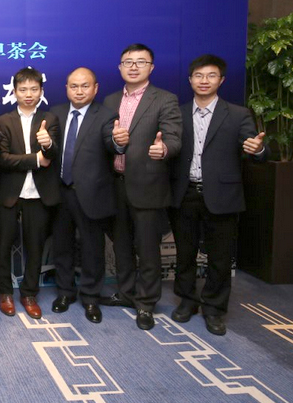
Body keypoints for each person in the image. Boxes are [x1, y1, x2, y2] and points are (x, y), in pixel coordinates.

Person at [168, 54, 267, 336]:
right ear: (190, 80)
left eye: (211, 76)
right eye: (199, 76)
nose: (204, 81)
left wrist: (258, 149)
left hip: (222, 196)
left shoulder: (237, 114)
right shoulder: (178, 113)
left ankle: (213, 308)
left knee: (220, 258)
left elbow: (257, 151)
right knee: (184, 253)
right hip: (185, 193)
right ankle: (187, 301)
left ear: (221, 80)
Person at [101, 43, 182, 331]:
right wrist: (114, 142)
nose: (133, 66)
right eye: (128, 62)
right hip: (116, 184)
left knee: (147, 248)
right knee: (121, 245)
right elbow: (104, 139)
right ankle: (126, 292)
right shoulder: (110, 101)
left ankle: (146, 302)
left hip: (148, 185)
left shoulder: (165, 99)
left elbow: (173, 138)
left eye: (141, 62)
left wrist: (164, 149)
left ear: (151, 67)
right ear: (120, 67)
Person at [50, 67, 118, 324]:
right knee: (62, 246)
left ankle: (90, 297)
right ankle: (65, 292)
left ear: (95, 88)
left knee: (92, 248)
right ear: (66, 88)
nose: (79, 91)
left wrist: (119, 142)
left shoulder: (106, 115)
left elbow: (112, 144)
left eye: (85, 86)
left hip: (90, 194)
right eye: (74, 86)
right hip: (60, 192)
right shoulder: (55, 113)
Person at [0, 67, 60, 319]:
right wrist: (35, 159)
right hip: (10, 193)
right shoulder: (3, 121)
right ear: (15, 92)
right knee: (3, 245)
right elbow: (2, 159)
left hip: (39, 193)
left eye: (34, 89)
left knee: (35, 246)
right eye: (23, 89)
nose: (29, 94)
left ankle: (29, 293)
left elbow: (52, 155)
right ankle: (5, 293)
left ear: (41, 91)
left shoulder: (49, 119)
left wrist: (48, 144)